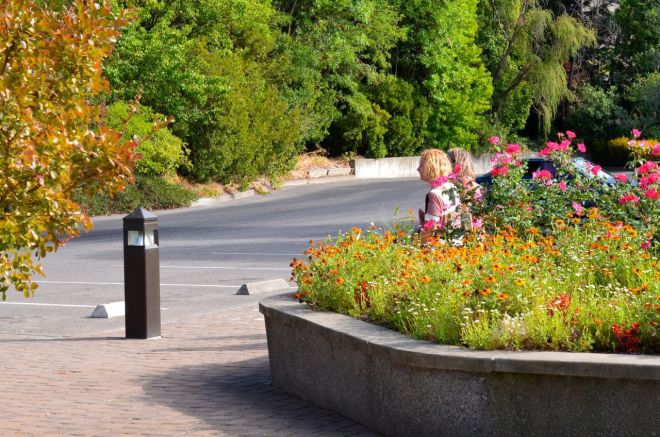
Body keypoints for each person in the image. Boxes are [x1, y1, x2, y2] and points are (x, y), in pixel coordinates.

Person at [416, 149, 461, 242]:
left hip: (442, 244)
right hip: (456, 238)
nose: (418, 169)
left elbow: (431, 229)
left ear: (431, 168)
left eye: (421, 166)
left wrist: (416, 240)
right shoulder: (452, 187)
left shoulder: (434, 194)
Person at [447, 148, 485, 231]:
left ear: (455, 163)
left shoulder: (460, 184)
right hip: (472, 230)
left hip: (462, 231)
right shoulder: (471, 183)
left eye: (447, 162)